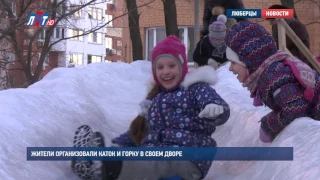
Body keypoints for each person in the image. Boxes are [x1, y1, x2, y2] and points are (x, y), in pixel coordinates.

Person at [71, 35, 230, 180]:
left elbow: (216, 104)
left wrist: (215, 108)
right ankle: (97, 160)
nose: (166, 72)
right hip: (156, 155)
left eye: (171, 65)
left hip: (188, 159)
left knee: (147, 163)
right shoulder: (154, 98)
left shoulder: (195, 88)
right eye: (160, 67)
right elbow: (138, 131)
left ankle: (104, 167)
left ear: (182, 67)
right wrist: (117, 146)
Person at [225, 20, 320, 143]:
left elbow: (295, 108)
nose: (230, 68)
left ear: (248, 60)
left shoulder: (274, 77)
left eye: (233, 62)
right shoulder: (271, 72)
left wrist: (268, 125)